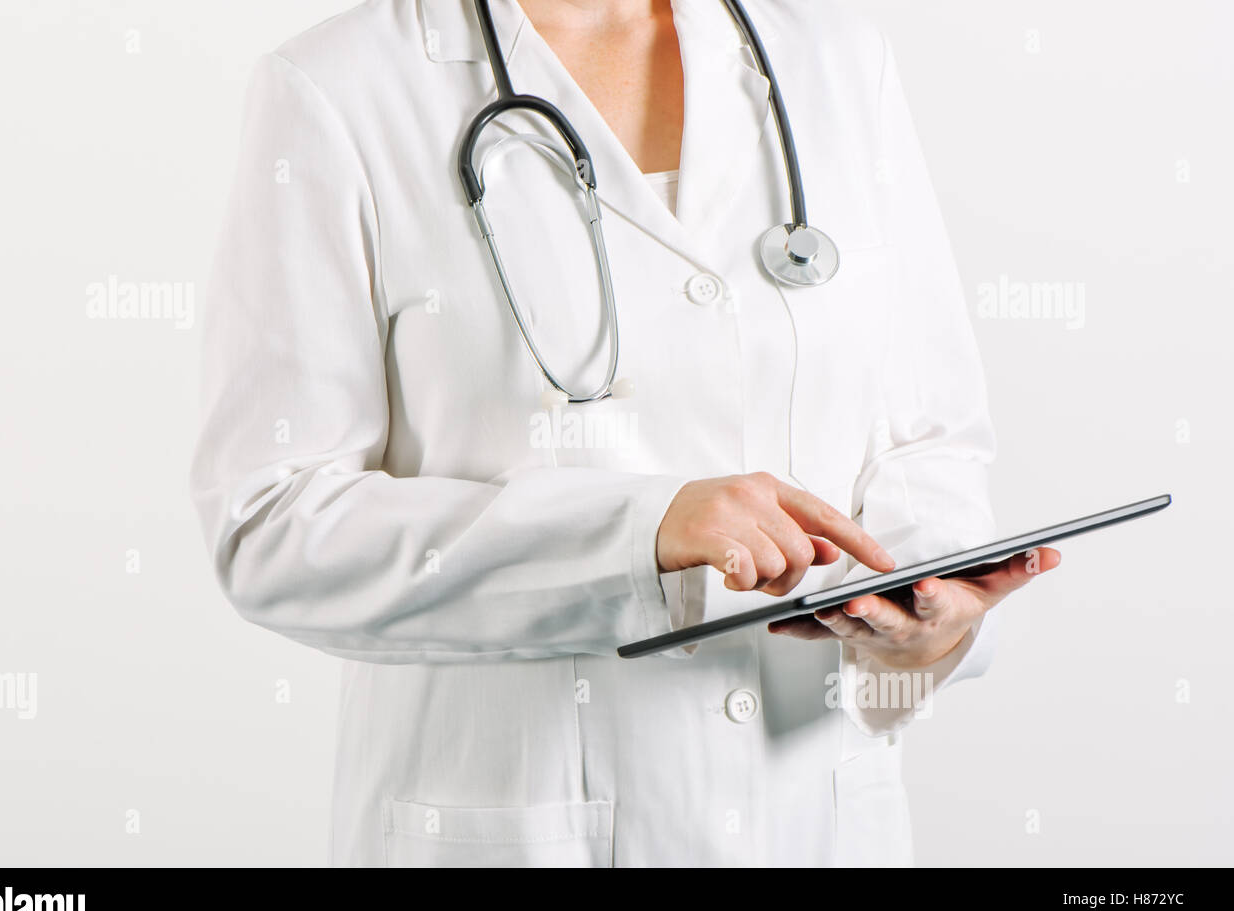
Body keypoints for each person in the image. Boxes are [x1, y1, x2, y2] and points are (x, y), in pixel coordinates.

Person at [190, 0, 1058, 866]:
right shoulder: (341, 88)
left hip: (814, 824)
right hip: (510, 827)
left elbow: (927, 440)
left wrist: (929, 607)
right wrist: (640, 533)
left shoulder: (833, 61)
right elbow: (270, 521)